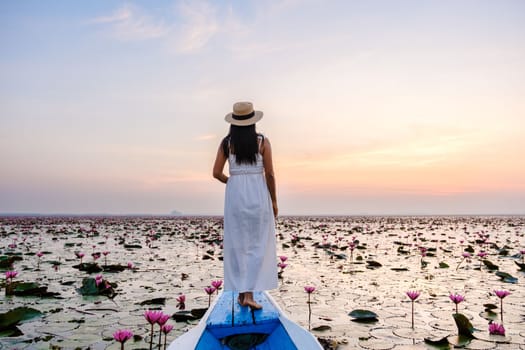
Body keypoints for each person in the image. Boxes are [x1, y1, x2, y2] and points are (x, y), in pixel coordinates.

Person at [213, 101, 278, 310]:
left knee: (238, 244)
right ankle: (248, 295)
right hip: (258, 195)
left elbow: (216, 173)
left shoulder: (226, 143)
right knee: (257, 244)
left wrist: (232, 182)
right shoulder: (262, 142)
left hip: (235, 197)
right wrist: (274, 201)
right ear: (253, 122)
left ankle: (243, 294)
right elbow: (269, 174)